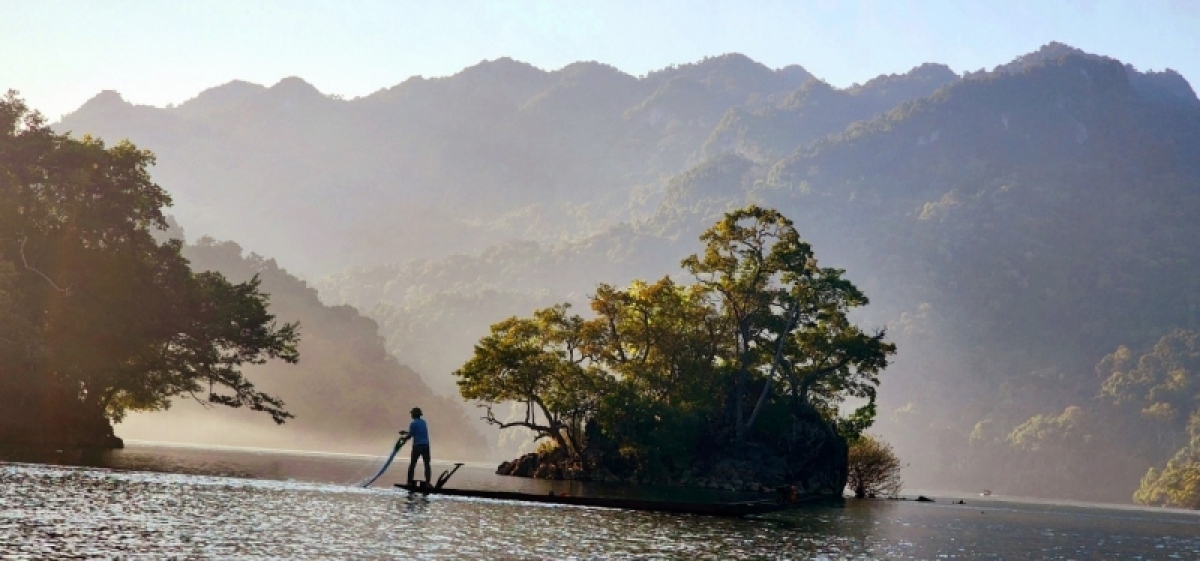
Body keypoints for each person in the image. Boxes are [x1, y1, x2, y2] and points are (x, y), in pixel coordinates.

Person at [406, 406, 431, 486]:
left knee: (412, 464)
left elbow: (410, 435)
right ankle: (427, 482)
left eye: (412, 414)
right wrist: (407, 433)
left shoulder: (413, 423)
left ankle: (409, 482)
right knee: (427, 464)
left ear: (413, 415)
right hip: (426, 445)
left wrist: (403, 439)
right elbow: (415, 432)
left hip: (417, 446)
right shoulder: (424, 422)